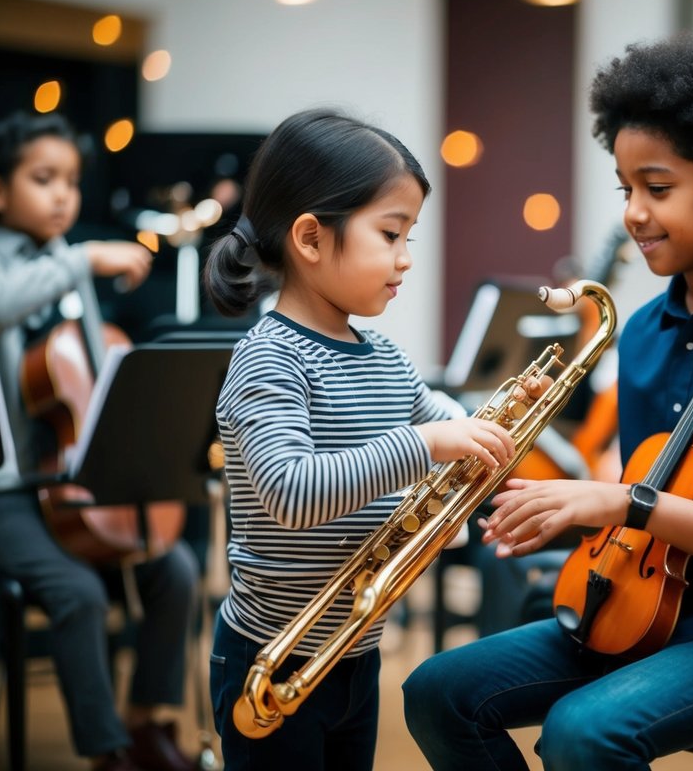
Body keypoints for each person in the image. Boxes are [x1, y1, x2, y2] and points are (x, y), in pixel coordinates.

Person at [402, 31, 693, 770]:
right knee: (437, 691)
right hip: (644, 612)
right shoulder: (647, 332)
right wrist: (552, 512)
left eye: (657, 189)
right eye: (626, 190)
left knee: (584, 733)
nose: (633, 214)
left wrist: (623, 504)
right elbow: (650, 500)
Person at [203, 107, 530, 771]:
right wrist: (429, 443)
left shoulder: (383, 353)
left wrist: (501, 417)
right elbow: (291, 493)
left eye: (409, 235)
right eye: (390, 234)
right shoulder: (269, 359)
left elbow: (449, 426)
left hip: (354, 648)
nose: (405, 259)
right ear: (310, 238)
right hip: (272, 654)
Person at [0, 110, 199, 771]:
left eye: (71, 180)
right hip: (1, 494)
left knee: (174, 569)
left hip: (76, 480)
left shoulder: (66, 266)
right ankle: (107, 753)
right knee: (80, 594)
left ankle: (147, 720)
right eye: (44, 179)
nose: (63, 194)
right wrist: (81, 261)